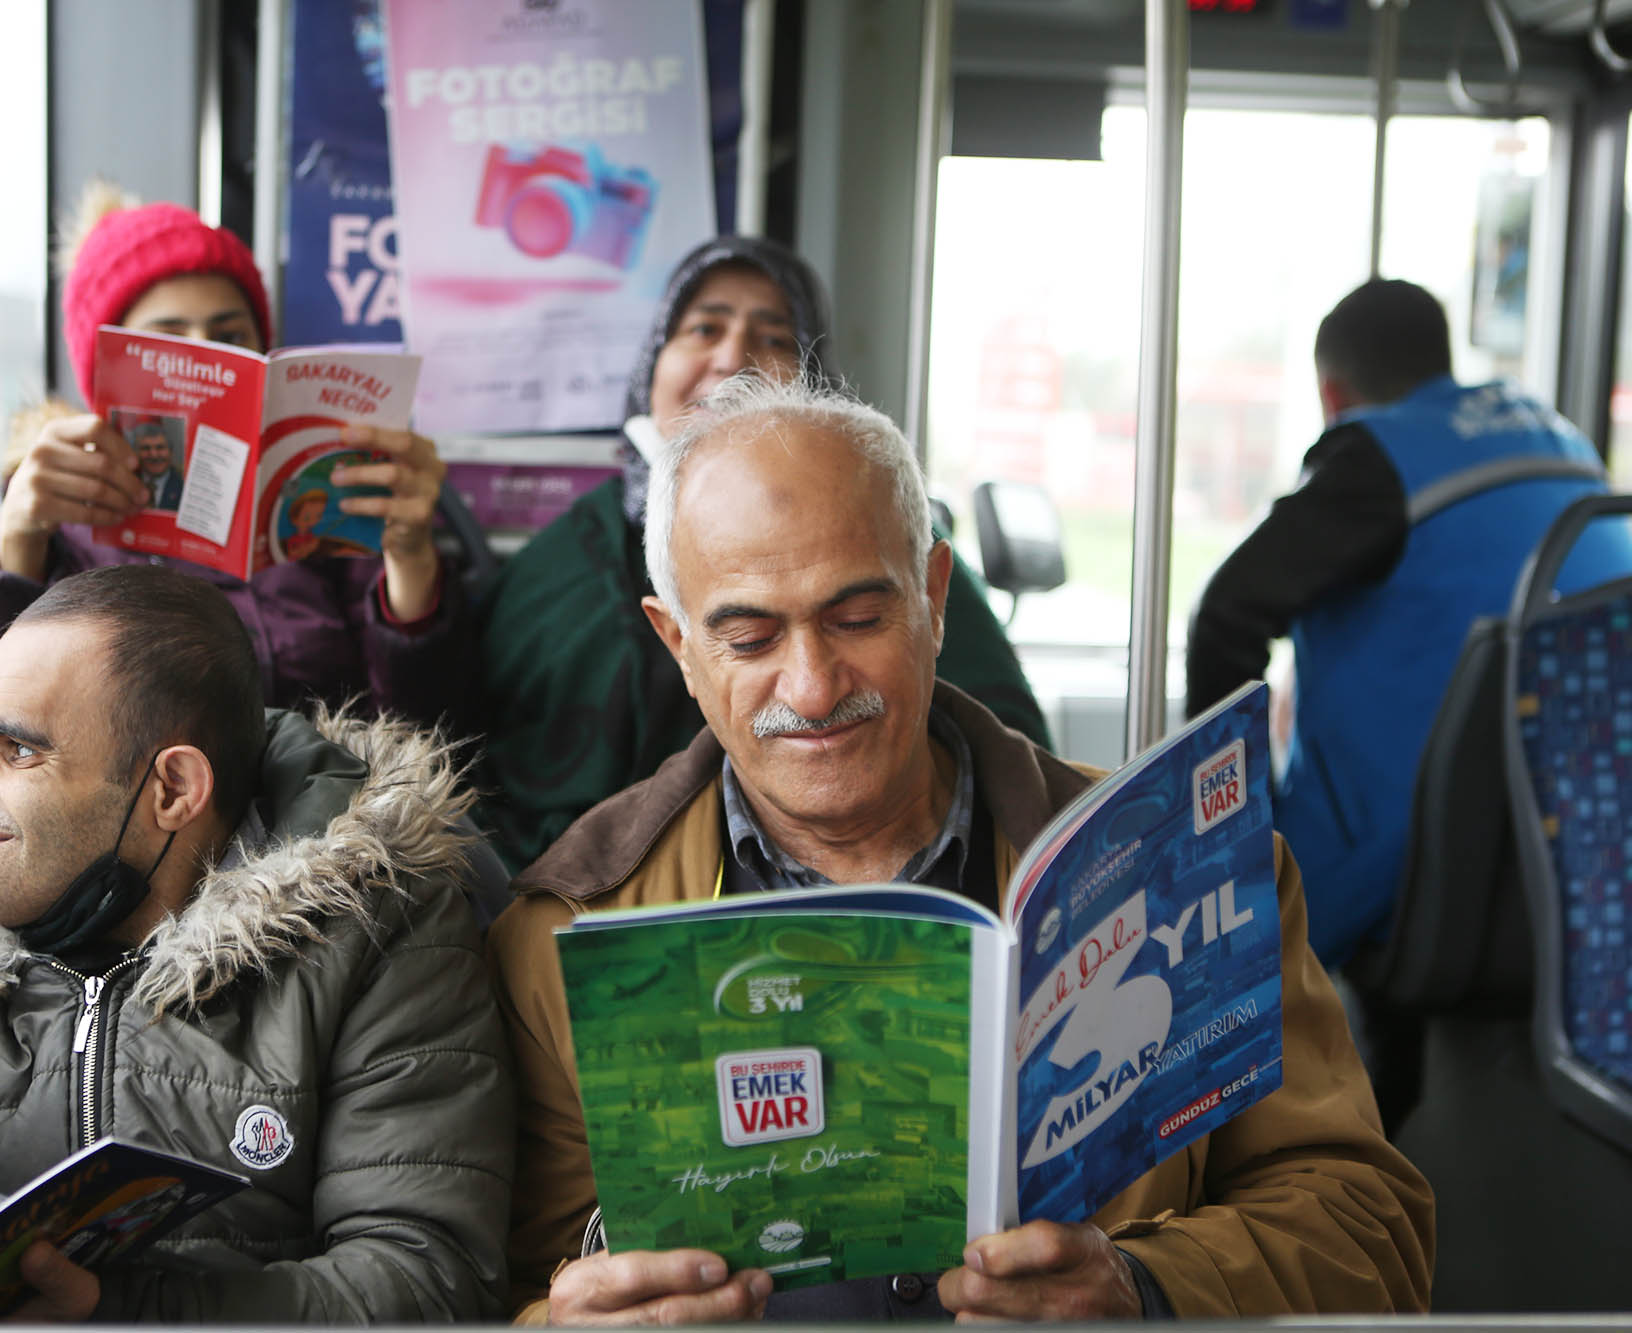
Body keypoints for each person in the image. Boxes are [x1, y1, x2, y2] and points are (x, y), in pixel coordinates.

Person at [487, 376, 1434, 1322]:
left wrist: (1147, 1289)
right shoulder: (567, 936)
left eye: (858, 618)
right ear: (679, 644)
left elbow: (1369, 1226)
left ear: (935, 597)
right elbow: (508, 1287)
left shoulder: (1188, 862)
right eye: (748, 636)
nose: (813, 688)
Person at [0, 565, 512, 1322]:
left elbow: (434, 1279)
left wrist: (122, 1313)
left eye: (17, 749)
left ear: (172, 789)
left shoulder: (380, 930)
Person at [473, 235, 1050, 871]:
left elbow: (1012, 773)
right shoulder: (557, 565)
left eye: (774, 337)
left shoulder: (890, 543)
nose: (731, 358)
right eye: (703, 329)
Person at [1185, 278, 1632, 970]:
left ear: (1332, 397)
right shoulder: (1563, 443)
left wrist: (1233, 834)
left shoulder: (1375, 460)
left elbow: (1224, 614)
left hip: (1416, 874)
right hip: (1589, 855)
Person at [0, 182, 474, 730]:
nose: (206, 357)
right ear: (105, 370)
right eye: (169, 342)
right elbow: (7, 730)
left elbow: (423, 728)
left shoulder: (319, 492)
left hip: (328, 796)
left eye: (229, 336)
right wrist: (18, 542)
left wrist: (411, 561)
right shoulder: (61, 516)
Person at [127, 417, 183, 511]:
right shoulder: (127, 483)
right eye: (145, 448)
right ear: (136, 453)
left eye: (160, 448)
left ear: (171, 452)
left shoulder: (183, 486)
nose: (153, 455)